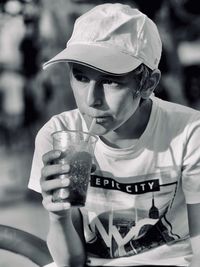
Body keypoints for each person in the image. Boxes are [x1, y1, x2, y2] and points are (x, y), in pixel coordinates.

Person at [28, 3, 200, 267]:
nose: (91, 100)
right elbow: (71, 263)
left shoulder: (189, 133)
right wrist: (58, 215)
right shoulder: (57, 134)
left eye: (111, 80)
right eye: (81, 77)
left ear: (148, 84)